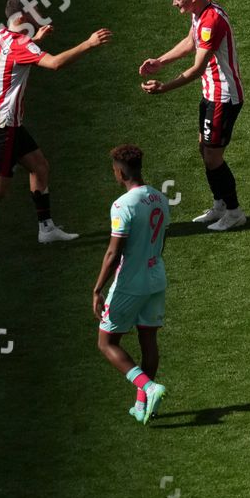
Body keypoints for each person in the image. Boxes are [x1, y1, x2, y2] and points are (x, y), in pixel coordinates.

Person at [0, 0, 112, 257]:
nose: (38, 10)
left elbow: (13, 55)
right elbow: (55, 64)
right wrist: (89, 43)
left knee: (40, 167)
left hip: (6, 122)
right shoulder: (20, 43)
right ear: (23, 15)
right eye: (33, 8)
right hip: (2, 126)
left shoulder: (1, 36)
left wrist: (36, 41)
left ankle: (46, 229)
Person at [139, 0, 247, 231]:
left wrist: (164, 87)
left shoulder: (212, 20)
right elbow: (191, 41)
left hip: (223, 97)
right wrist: (161, 61)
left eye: (178, 0)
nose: (175, 4)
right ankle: (220, 204)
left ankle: (234, 212)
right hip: (210, 93)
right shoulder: (199, 13)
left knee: (213, 156)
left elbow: (198, 68)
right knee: (204, 148)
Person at [92, 145, 169, 423]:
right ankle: (142, 404)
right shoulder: (160, 198)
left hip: (130, 282)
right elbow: (162, 241)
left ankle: (148, 387)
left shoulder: (122, 205)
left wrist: (97, 288)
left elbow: (114, 253)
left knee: (106, 342)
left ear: (121, 171)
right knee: (148, 339)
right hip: (156, 277)